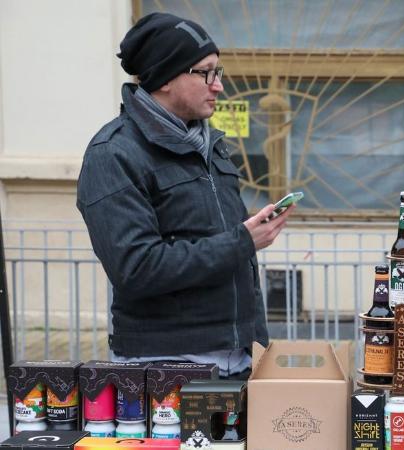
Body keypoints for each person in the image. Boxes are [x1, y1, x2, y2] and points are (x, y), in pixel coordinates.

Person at [76, 13, 291, 379]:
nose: (218, 85)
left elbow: (222, 254)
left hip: (236, 358)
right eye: (205, 73)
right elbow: (137, 268)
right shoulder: (113, 154)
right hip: (165, 368)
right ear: (164, 79)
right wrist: (242, 241)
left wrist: (255, 341)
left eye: (218, 72)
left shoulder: (211, 146)